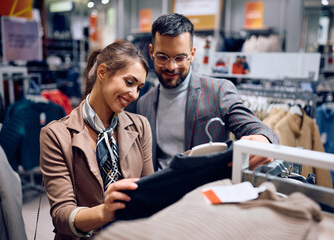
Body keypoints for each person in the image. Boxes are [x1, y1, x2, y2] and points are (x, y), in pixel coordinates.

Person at [40, 40, 153, 239]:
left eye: (139, 87)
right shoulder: (56, 135)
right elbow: (61, 215)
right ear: (102, 72)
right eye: (129, 82)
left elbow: (148, 190)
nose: (134, 94)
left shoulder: (140, 126)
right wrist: (105, 212)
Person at [136, 13, 279, 171]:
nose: (171, 66)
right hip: (161, 192)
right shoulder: (144, 103)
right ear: (151, 52)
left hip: (203, 192)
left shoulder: (217, 91)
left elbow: (255, 128)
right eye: (163, 57)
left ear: (192, 53)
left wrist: (263, 139)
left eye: (180, 58)